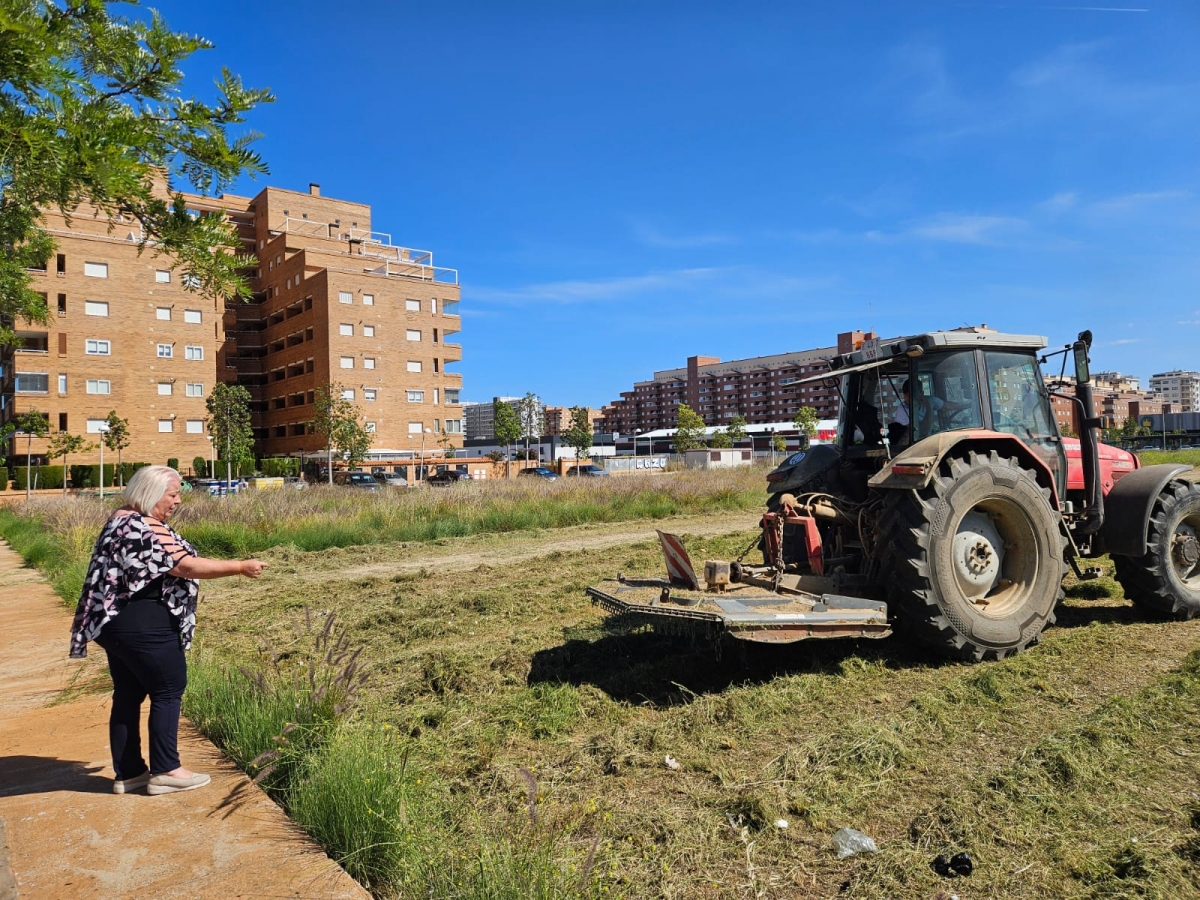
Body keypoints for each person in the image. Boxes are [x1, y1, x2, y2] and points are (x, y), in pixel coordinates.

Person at [69, 465, 266, 795]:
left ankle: (129, 773)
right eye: (173, 494)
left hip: (114, 623)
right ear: (151, 492)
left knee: (129, 694)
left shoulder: (121, 518)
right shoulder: (142, 525)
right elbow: (184, 566)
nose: (177, 501)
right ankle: (166, 770)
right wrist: (240, 567)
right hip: (142, 624)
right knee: (168, 687)